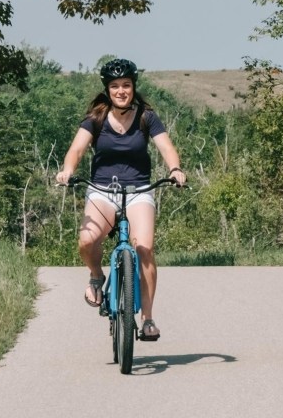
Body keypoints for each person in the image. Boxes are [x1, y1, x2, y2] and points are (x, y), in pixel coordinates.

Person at [56, 58, 186, 341]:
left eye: (126, 85)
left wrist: (175, 169)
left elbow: (166, 147)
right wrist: (68, 170)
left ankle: (148, 318)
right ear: (107, 89)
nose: (121, 91)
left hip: (139, 190)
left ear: (133, 86)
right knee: (87, 240)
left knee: (145, 249)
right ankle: (95, 276)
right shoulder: (96, 118)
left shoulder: (146, 117)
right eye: (115, 86)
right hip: (102, 190)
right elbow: (76, 150)